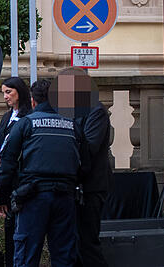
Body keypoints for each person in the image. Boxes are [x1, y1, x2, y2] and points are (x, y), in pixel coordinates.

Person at [0, 79, 80, 267]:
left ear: (33, 101)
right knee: (64, 256)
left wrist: (0, 198)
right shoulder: (71, 124)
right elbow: (84, 162)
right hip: (65, 197)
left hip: (33, 196)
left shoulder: (26, 124)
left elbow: (7, 163)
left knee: (26, 255)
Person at [60, 68, 110, 267]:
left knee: (87, 243)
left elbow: (89, 146)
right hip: (75, 185)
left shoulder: (96, 111)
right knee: (75, 242)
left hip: (90, 187)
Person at [0, 77, 33, 267]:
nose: (5, 96)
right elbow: (0, 141)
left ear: (20, 92)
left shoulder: (28, 117)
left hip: (20, 179)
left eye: (9, 92)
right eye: (3, 93)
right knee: (9, 229)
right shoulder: (7, 117)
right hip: (6, 179)